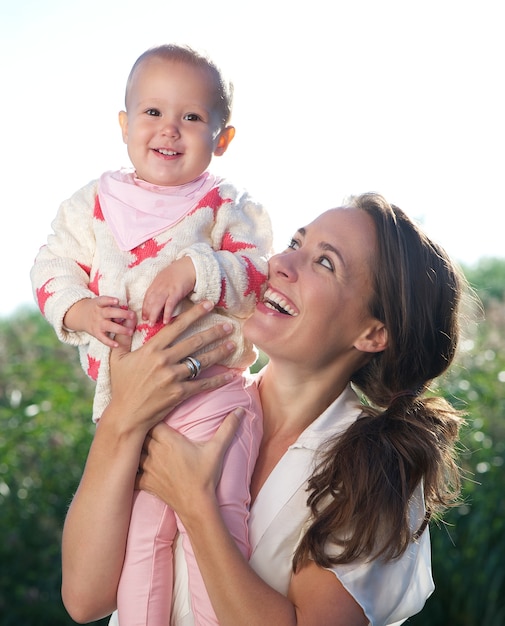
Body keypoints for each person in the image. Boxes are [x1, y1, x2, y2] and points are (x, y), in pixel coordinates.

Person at [61, 193, 465, 626]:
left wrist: (196, 505)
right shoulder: (188, 403)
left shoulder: (376, 470)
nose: (281, 265)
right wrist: (122, 416)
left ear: (372, 333)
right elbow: (86, 599)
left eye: (325, 263)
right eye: (294, 244)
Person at [30, 44, 272, 626]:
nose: (170, 130)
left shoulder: (223, 207)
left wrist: (196, 267)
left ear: (222, 138)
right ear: (124, 125)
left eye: (191, 117)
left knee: (212, 514)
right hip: (133, 408)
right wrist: (80, 311)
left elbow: (255, 273)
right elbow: (50, 267)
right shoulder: (92, 204)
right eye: (152, 113)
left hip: (210, 397)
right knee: (141, 538)